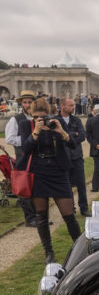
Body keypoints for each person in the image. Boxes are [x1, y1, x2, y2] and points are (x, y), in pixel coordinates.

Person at [16, 97, 81, 263]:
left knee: (69, 214)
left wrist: (61, 132)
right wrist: (36, 132)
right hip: (38, 172)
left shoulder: (57, 122)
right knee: (41, 215)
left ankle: (80, 249)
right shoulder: (26, 125)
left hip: (58, 170)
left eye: (43, 116)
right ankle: (49, 253)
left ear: (49, 113)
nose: (41, 119)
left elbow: (73, 144)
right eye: (37, 116)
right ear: (32, 115)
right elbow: (25, 148)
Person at [5, 90, 38, 226]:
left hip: (38, 156)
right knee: (25, 187)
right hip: (23, 157)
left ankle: (39, 216)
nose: (28, 104)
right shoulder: (16, 119)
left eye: (30, 102)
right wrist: (27, 140)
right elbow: (10, 138)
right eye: (25, 102)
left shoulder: (38, 117)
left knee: (38, 187)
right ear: (21, 104)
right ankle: (30, 218)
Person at [57, 97, 90, 216]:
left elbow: (82, 136)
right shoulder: (55, 120)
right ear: (62, 106)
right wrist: (72, 135)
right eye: (70, 105)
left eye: (73, 105)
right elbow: (55, 137)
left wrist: (66, 136)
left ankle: (84, 208)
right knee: (66, 186)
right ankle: (71, 209)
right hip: (63, 157)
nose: (73, 107)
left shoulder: (76, 120)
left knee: (81, 185)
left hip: (76, 157)